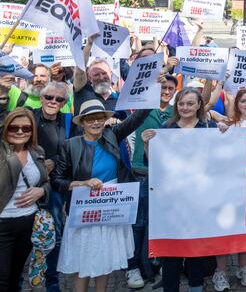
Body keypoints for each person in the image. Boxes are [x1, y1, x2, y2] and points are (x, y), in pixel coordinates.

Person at [52, 99, 149, 292]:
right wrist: (81, 183)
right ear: (82, 123)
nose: (95, 123)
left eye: (99, 118)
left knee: (104, 259)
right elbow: (57, 180)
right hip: (84, 210)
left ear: (105, 120)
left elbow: (139, 116)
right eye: (90, 120)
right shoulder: (70, 145)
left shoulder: (113, 135)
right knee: (83, 259)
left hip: (111, 208)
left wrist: (154, 88)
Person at [141, 88, 216, 292]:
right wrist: (147, 145)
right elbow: (155, 163)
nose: (185, 107)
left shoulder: (209, 127)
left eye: (190, 103)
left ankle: (196, 287)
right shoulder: (167, 128)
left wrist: (225, 134)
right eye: (181, 103)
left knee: (195, 246)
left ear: (199, 105)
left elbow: (221, 158)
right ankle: (170, 288)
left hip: (200, 198)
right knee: (171, 248)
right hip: (171, 199)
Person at [212, 88, 246, 291]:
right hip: (229, 185)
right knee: (226, 228)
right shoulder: (229, 125)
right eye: (242, 100)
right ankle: (220, 271)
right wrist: (222, 134)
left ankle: (244, 267)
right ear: (237, 104)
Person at [126, 75, 176, 289]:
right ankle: (133, 267)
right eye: (162, 87)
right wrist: (154, 79)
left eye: (170, 88)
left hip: (166, 176)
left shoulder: (176, 113)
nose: (166, 91)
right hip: (142, 171)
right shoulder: (144, 109)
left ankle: (155, 264)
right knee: (138, 223)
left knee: (159, 223)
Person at [0, 108, 50, 292]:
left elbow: (46, 182)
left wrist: (41, 191)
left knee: (15, 277)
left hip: (28, 223)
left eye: (26, 128)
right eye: (14, 127)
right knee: (2, 280)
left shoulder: (37, 151)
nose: (20, 132)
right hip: (3, 223)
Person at [31, 81, 74, 292]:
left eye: (59, 99)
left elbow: (73, 149)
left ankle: (52, 282)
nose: (53, 102)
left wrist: (55, 162)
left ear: (64, 102)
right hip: (27, 184)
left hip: (54, 187)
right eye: (49, 97)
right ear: (41, 98)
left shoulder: (68, 121)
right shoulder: (29, 117)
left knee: (55, 234)